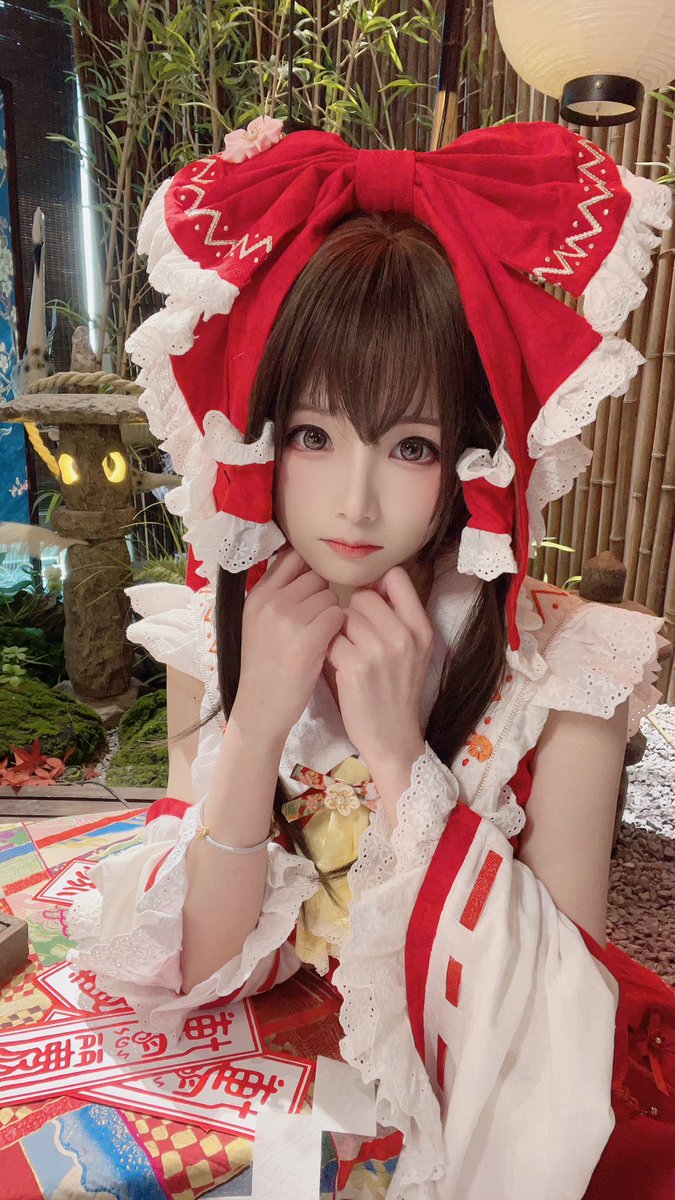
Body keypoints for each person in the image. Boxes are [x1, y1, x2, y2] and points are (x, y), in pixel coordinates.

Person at [69, 117, 675, 1199]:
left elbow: (552, 1016)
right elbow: (197, 961)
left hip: (469, 1123)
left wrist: (401, 761)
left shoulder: (567, 674)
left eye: (410, 446)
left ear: (475, 459)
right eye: (313, 436)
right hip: (267, 1102)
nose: (353, 502)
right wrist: (257, 724)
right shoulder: (217, 628)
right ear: (260, 438)